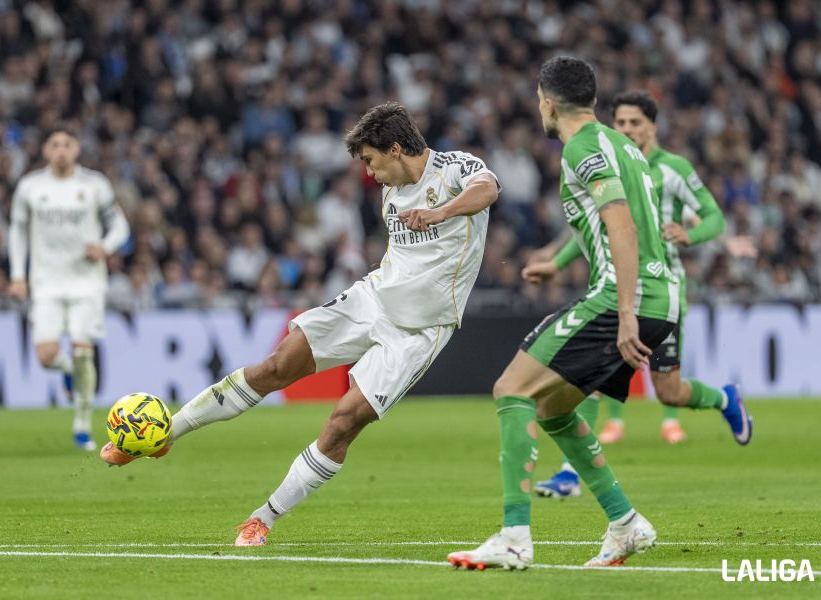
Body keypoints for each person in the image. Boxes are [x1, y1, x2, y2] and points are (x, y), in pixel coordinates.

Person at [99, 102, 501, 547]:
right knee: (275, 366)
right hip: (372, 300)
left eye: (370, 160)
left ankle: (262, 518)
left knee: (343, 422)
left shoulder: (456, 168)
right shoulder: (389, 190)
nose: (369, 172)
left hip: (419, 331)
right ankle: (163, 435)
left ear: (394, 148)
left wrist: (441, 213)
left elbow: (488, 190)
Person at [448, 56, 747, 571]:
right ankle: (625, 523)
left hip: (623, 297)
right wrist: (560, 260)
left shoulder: (583, 147)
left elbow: (621, 226)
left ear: (546, 102)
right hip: (664, 295)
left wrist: (626, 310)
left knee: (511, 389)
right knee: (554, 409)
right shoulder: (624, 146)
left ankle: (515, 536)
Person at [528, 91, 752, 500]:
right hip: (616, 289)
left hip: (661, 293)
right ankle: (569, 473)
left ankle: (724, 398)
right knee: (588, 380)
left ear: (652, 126)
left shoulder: (673, 169)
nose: (627, 129)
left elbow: (715, 217)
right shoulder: (609, 162)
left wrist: (691, 233)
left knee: (670, 391)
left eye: (635, 123)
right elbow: (603, 226)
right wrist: (557, 264)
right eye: (621, 123)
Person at [8, 127, 130, 450]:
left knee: (81, 347)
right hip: (46, 283)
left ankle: (82, 424)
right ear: (46, 151)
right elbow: (18, 232)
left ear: (77, 149)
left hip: (87, 282)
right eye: (54, 144)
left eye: (67, 144)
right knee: (47, 356)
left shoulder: (94, 185)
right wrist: (18, 275)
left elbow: (120, 225)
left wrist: (104, 247)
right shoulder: (31, 187)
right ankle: (67, 372)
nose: (61, 150)